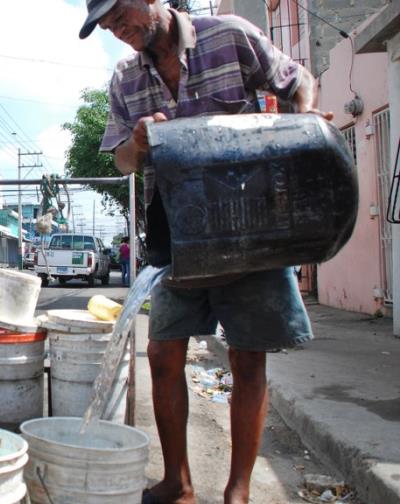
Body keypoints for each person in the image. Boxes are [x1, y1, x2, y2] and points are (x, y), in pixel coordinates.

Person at [79, 1, 328, 503]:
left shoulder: (230, 36)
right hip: (178, 235)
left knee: (247, 358)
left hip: (247, 228)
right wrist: (140, 142)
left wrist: (300, 128)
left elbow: (297, 80)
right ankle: (179, 483)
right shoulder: (125, 78)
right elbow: (124, 162)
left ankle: (237, 491)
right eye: (109, 27)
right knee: (163, 352)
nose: (119, 31)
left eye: (121, 16)